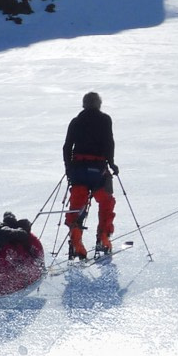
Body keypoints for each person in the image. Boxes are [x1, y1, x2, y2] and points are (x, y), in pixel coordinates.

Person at [63, 91, 117, 259]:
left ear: (84, 104)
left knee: (77, 206)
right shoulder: (105, 120)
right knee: (106, 201)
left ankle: (76, 242)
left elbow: (67, 147)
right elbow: (109, 142)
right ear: (99, 104)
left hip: (78, 170)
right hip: (98, 170)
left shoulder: (75, 121)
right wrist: (112, 162)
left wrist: (69, 168)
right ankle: (103, 238)